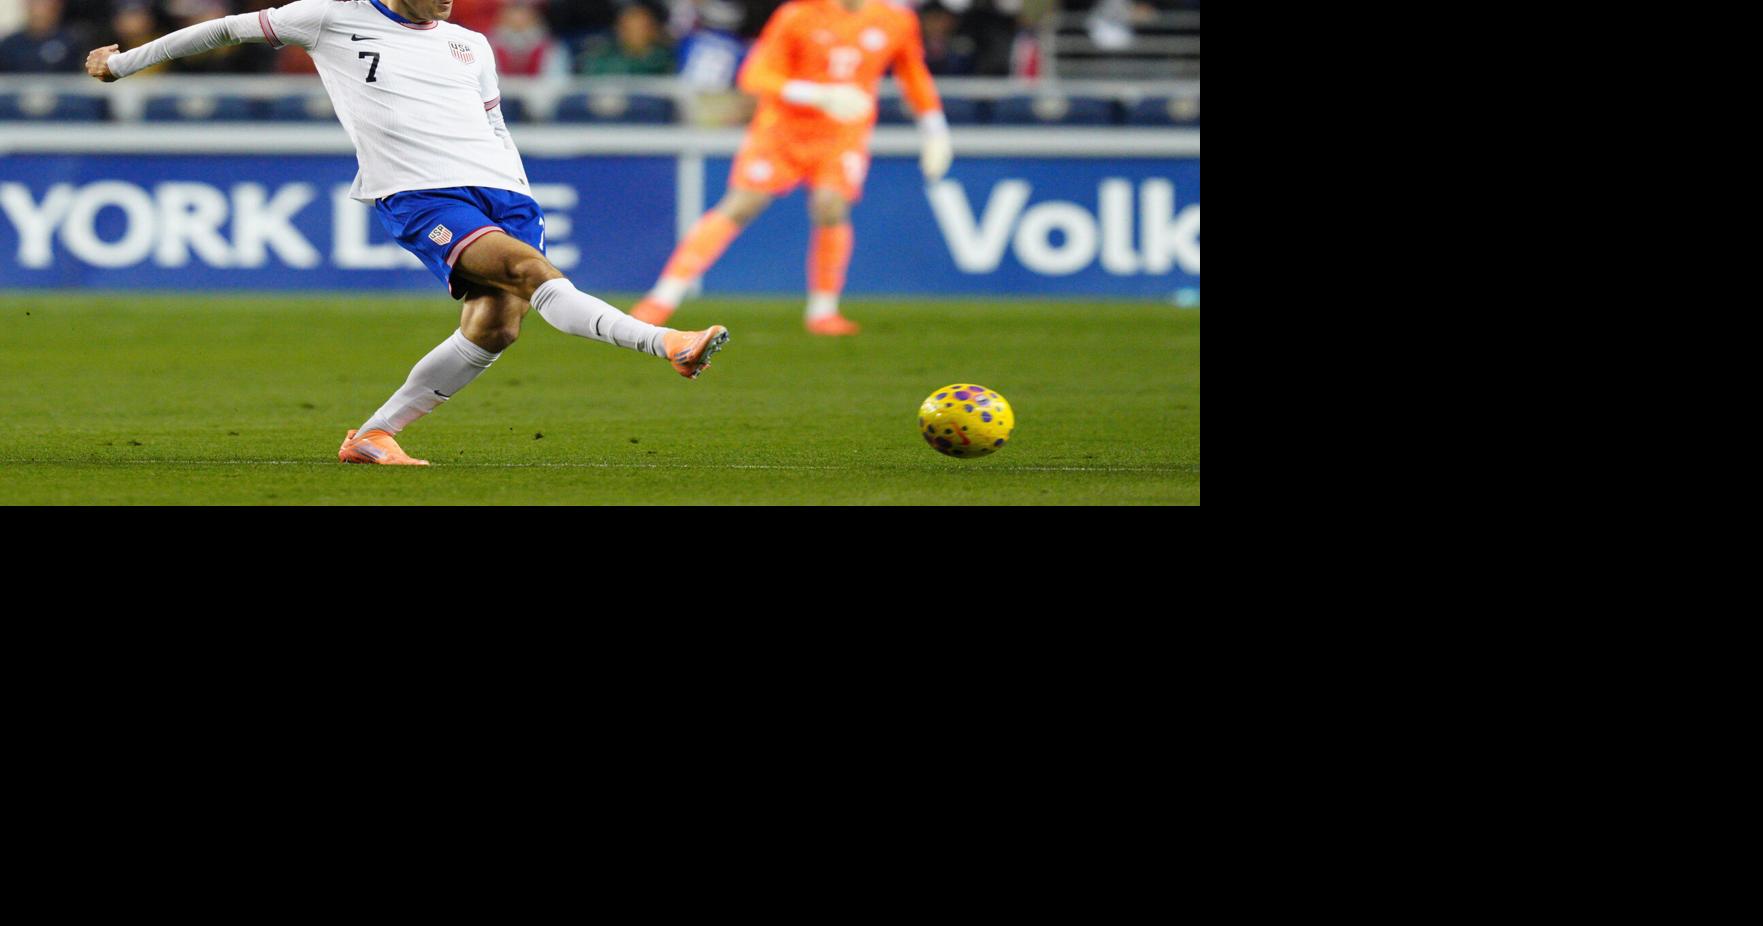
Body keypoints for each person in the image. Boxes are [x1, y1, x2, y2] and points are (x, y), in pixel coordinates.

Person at [84, 0, 730, 467]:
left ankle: (373, 436)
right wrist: (122, 64)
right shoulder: (327, 17)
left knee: (496, 327)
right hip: (420, 193)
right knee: (532, 277)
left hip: (503, 192)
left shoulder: (469, 43)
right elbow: (224, 29)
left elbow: (492, 122)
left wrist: (519, 192)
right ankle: (667, 342)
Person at [630, 0, 951, 336]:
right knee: (743, 203)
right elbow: (755, 75)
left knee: (831, 205)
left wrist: (936, 131)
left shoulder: (896, 20)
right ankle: (662, 298)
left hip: (842, 133)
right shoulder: (798, 15)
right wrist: (819, 96)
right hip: (783, 128)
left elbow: (912, 72)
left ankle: (824, 311)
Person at [0, 0, 85, 73]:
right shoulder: (9, 44)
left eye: (45, 4)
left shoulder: (70, 43)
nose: (40, 10)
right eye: (36, 3)